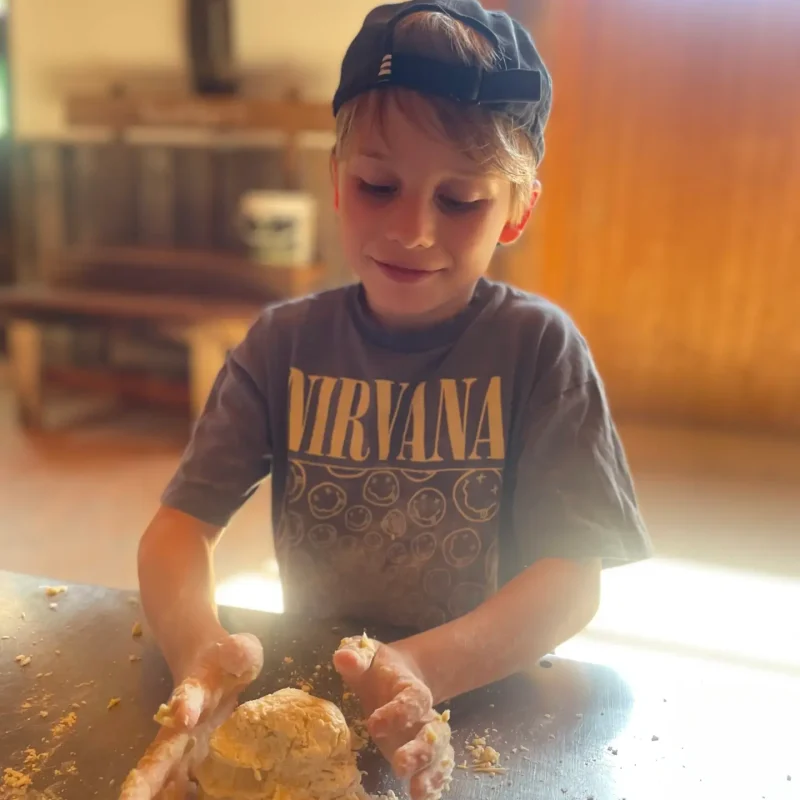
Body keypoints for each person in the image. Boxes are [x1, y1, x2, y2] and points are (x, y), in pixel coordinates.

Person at [120, 1, 652, 798]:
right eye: (379, 184)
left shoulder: (540, 351)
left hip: (486, 693)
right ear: (337, 180)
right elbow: (176, 532)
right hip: (316, 680)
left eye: (461, 200)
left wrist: (419, 668)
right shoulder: (283, 345)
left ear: (517, 209)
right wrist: (197, 645)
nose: (412, 229)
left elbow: (572, 578)